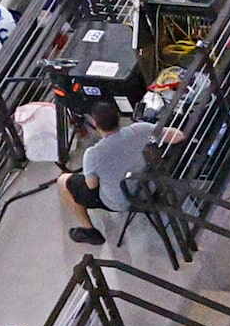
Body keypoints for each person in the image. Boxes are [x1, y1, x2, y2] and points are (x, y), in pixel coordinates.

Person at [58, 101, 182, 245]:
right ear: (118, 116)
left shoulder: (93, 154)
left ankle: (88, 230)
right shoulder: (141, 129)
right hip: (151, 185)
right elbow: (178, 136)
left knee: (63, 181)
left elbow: (92, 185)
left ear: (96, 126)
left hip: (122, 200)